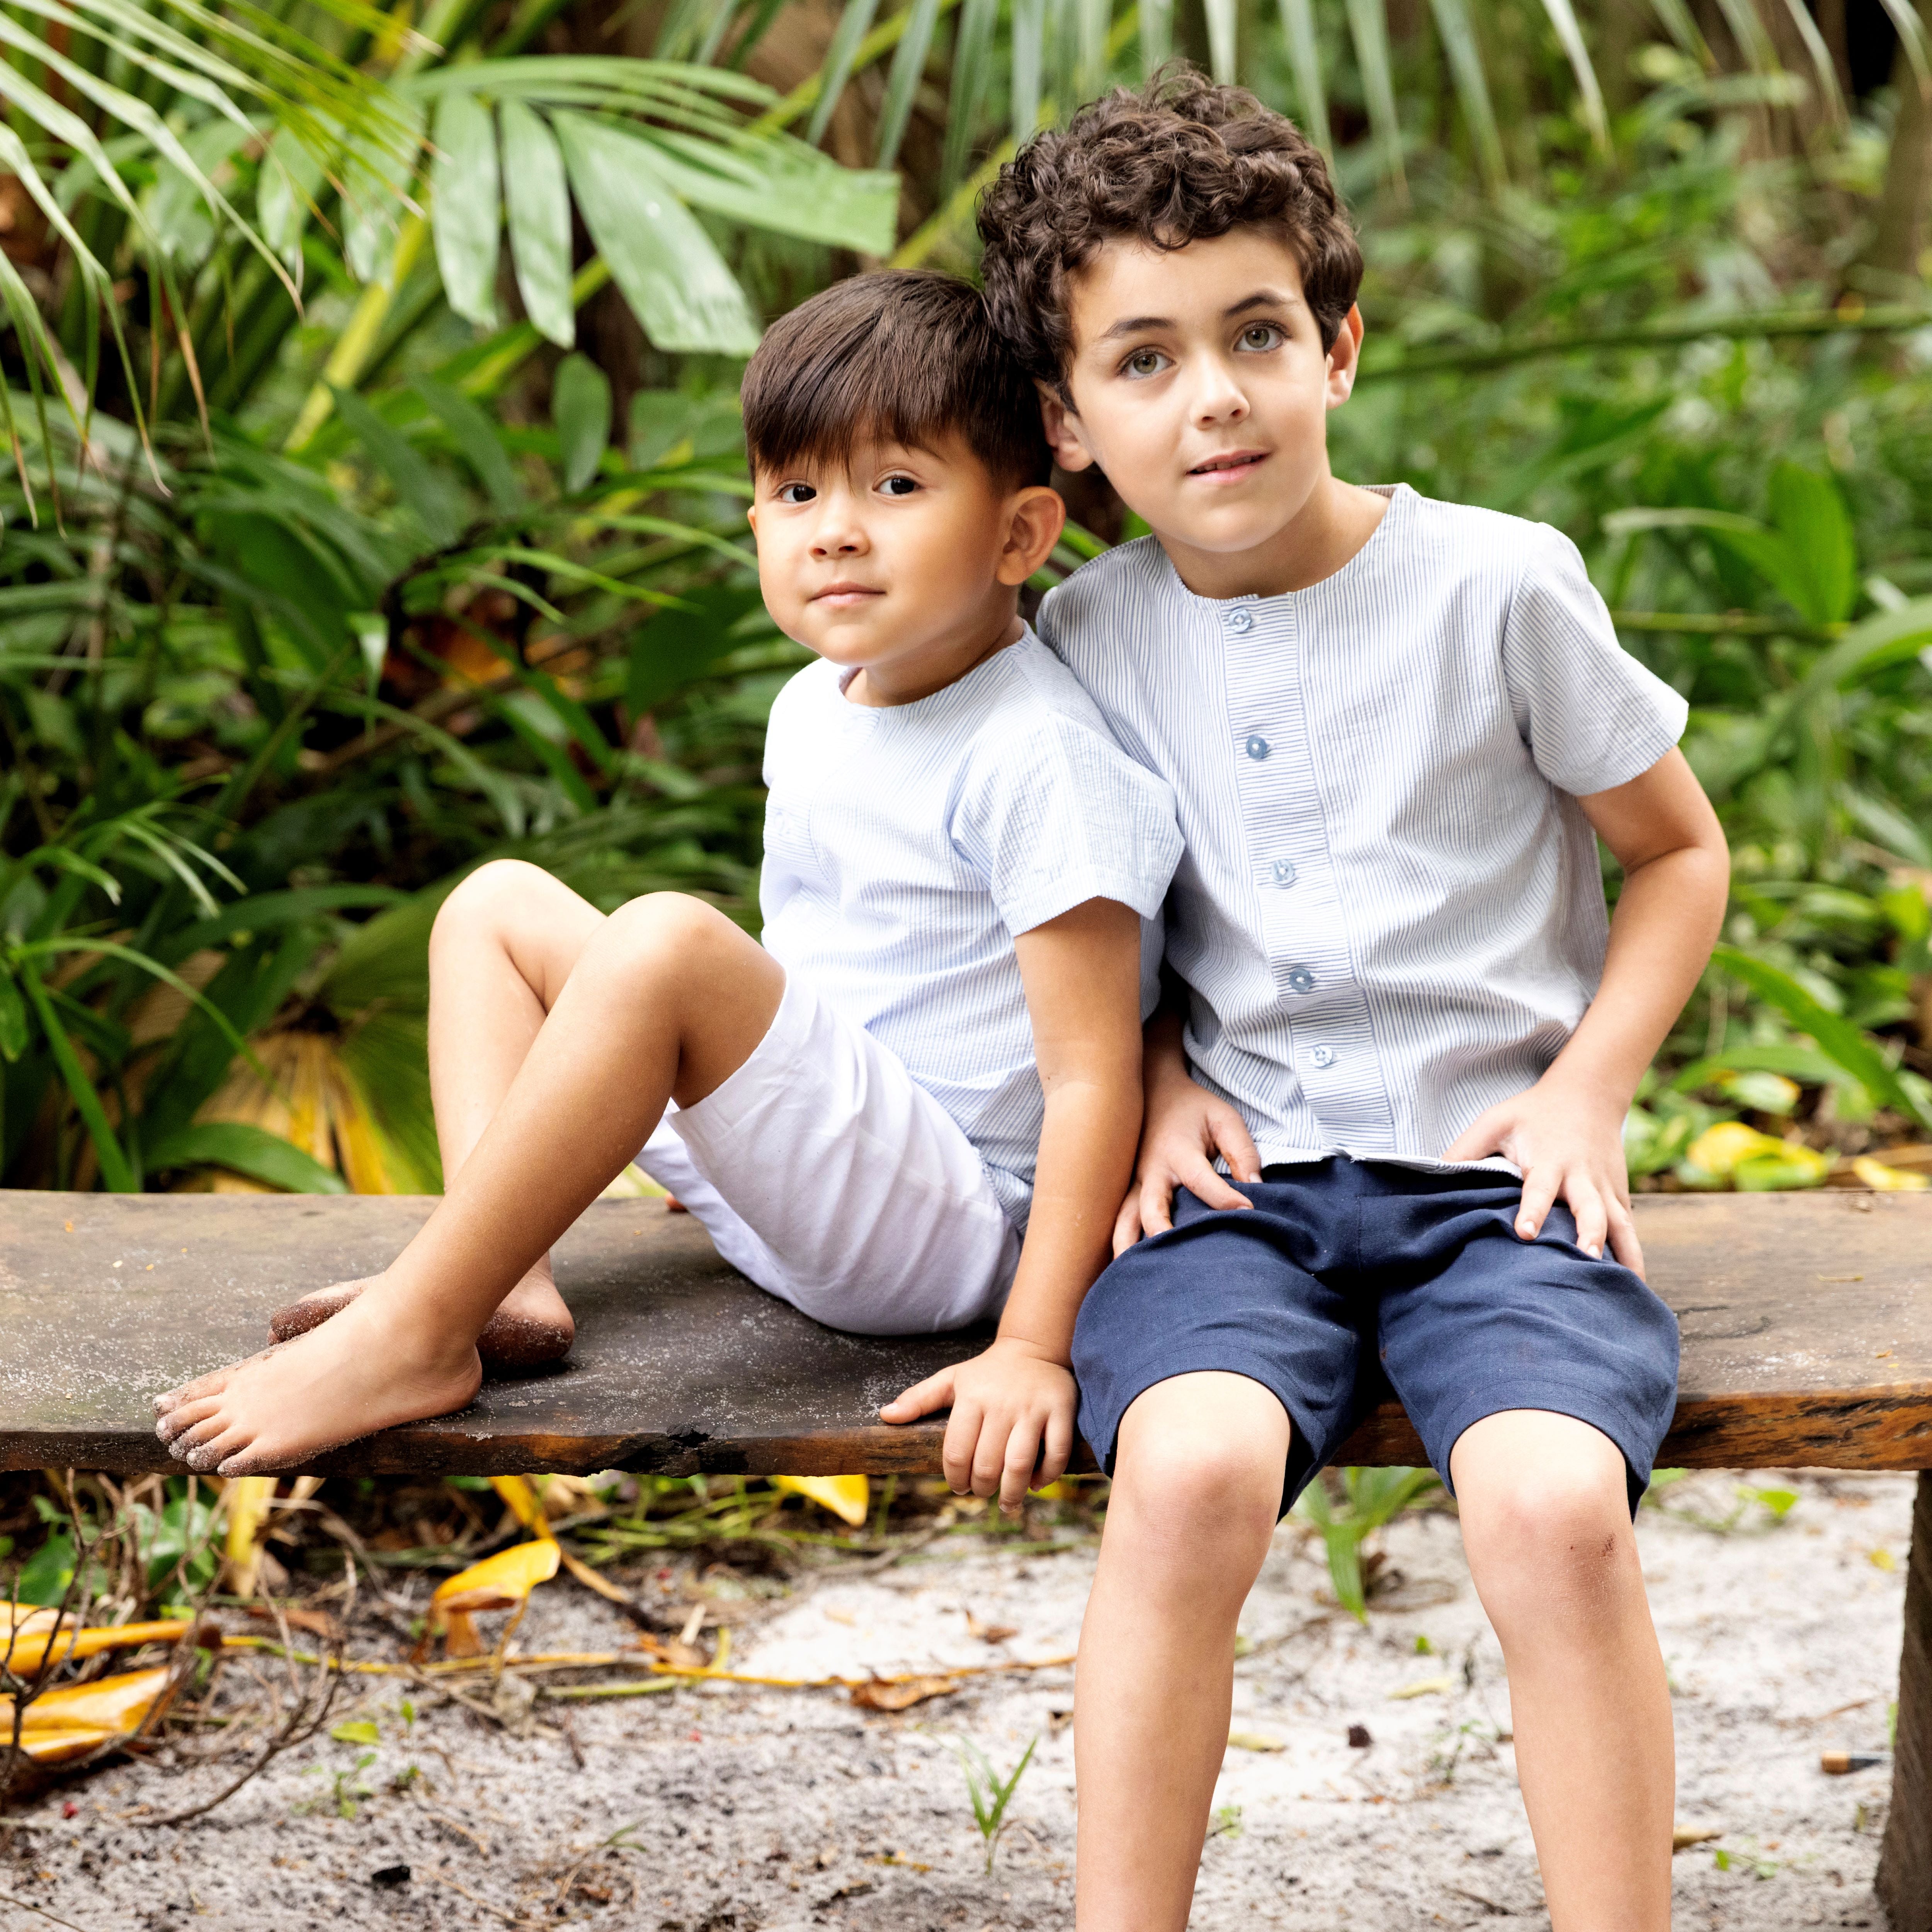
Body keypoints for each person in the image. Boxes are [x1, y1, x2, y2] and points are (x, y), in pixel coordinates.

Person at [973, 72, 1731, 1932]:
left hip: (1498, 1184)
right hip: (1236, 1188)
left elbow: (1679, 854)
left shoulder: (1495, 586)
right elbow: (1097, 929)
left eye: (1251, 334)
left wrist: (1584, 1091)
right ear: (1066, 428)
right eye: (1140, 362)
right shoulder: (1078, 638)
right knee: (1186, 1468)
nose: (1211, 394)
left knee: (1550, 1503)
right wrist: (1151, 1070)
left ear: (1337, 344)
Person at [153, 271, 1183, 1495]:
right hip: (822, 1169)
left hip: (945, 1231)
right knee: (495, 907)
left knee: (667, 942)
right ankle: (501, 1277)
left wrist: (1031, 1345)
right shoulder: (817, 704)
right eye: (796, 491)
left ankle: (413, 1335)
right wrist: (757, 1143)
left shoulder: (1040, 754)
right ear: (754, 522)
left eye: (896, 487)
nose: (835, 529)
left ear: (1019, 534)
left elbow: (1089, 1078)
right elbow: (818, 961)